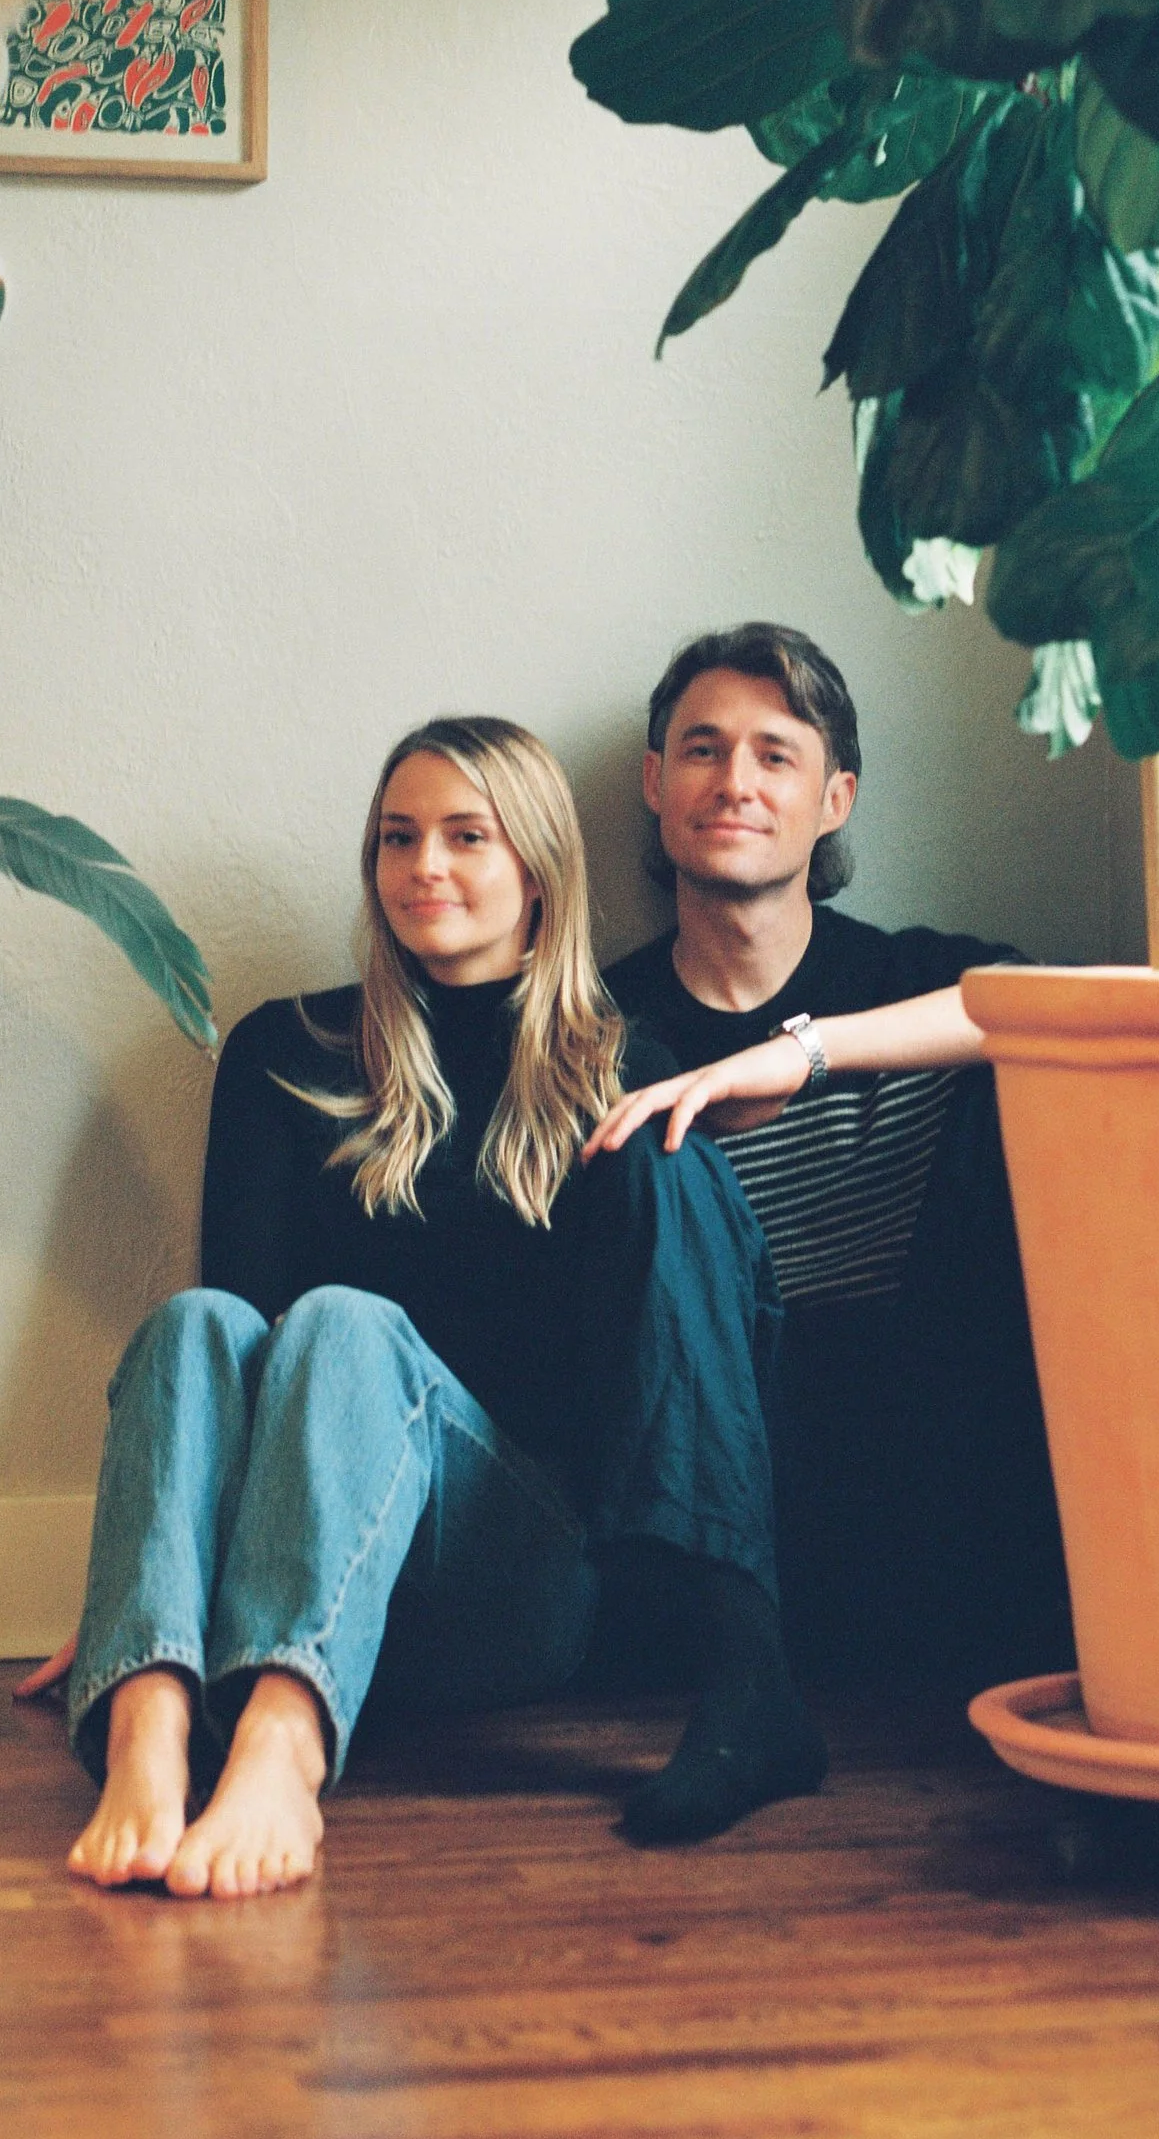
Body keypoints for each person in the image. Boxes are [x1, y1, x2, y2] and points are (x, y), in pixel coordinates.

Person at [57, 714, 824, 1899]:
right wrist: (140, 1578)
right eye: (396, 837)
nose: (425, 866)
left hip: (507, 1584)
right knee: (194, 1325)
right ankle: (146, 1723)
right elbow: (234, 1357)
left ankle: (282, 1748)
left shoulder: (619, 1067)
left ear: (536, 871)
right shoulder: (283, 1051)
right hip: (282, 1574)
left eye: (468, 836)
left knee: (347, 1323)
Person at [592, 624, 1071, 1695]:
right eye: (704, 749)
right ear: (656, 783)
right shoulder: (594, 1024)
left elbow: (1043, 1010)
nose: (735, 782)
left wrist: (803, 1055)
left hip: (933, 1459)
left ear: (834, 799)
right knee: (649, 1165)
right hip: (726, 1486)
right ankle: (740, 1664)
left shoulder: (913, 980)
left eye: (776, 754)